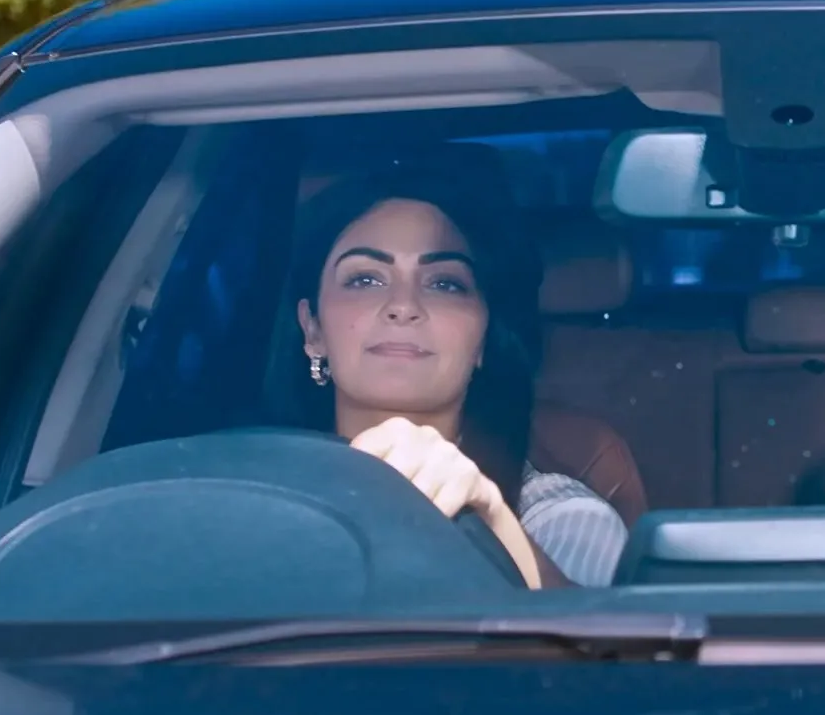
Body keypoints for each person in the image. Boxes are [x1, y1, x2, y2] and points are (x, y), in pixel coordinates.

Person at [267, 163, 627, 588]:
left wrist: (491, 519)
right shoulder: (251, 497)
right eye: (365, 279)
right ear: (312, 329)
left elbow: (588, 632)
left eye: (444, 284)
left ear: (484, 337)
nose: (403, 306)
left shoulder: (562, 519)